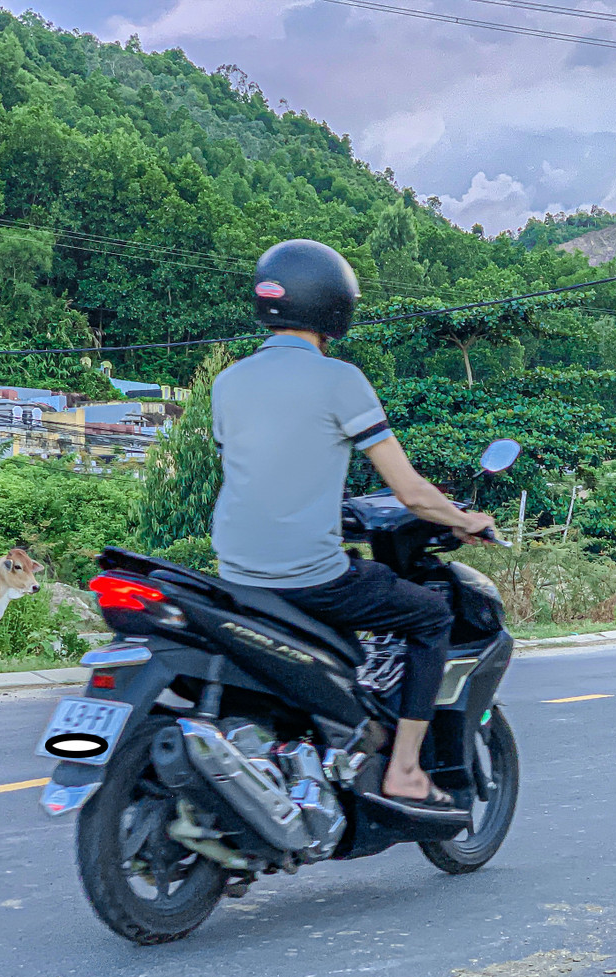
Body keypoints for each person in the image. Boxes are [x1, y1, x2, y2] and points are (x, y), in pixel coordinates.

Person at [209, 239, 496, 813]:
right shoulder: (339, 379)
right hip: (308, 577)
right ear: (334, 306)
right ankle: (406, 770)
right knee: (430, 615)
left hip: (236, 574)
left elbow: (263, 475)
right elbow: (411, 492)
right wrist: (465, 520)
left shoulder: (228, 382)